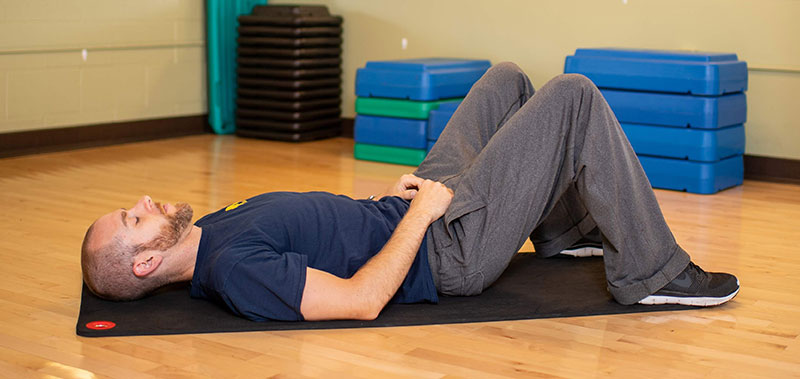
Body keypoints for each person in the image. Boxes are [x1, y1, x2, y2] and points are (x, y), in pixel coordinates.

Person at [81, 63, 739, 322]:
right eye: (132, 219)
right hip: (446, 250)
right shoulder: (232, 269)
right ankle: (653, 272)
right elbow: (362, 299)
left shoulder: (217, 228)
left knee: (506, 79)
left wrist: (394, 199)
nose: (142, 202)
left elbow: (329, 230)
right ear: (144, 262)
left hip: (409, 210)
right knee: (573, 96)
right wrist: (420, 218)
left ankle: (563, 235)